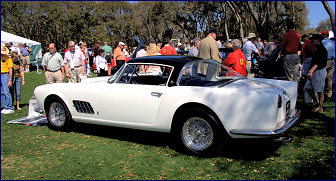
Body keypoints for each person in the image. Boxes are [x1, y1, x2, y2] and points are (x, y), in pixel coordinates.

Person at [304, 34, 328, 113]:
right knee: (307, 87)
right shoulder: (317, 49)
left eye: (313, 40)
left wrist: (311, 71)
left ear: (317, 40)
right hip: (314, 71)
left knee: (320, 90)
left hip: (319, 71)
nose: (311, 42)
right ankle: (317, 103)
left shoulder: (321, 50)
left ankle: (320, 107)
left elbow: (317, 63)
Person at [320, 31, 335, 98]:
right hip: (332, 61)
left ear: (323, 35)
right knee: (330, 77)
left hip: (324, 61)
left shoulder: (322, 43)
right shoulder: (333, 43)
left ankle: (321, 92)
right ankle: (329, 93)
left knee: (322, 77)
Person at [1, 43, 14, 114]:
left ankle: (10, 107)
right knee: (1, 92)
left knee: (6, 92)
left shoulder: (8, 58)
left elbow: (10, 69)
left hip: (5, 75)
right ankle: (5, 106)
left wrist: (10, 79)